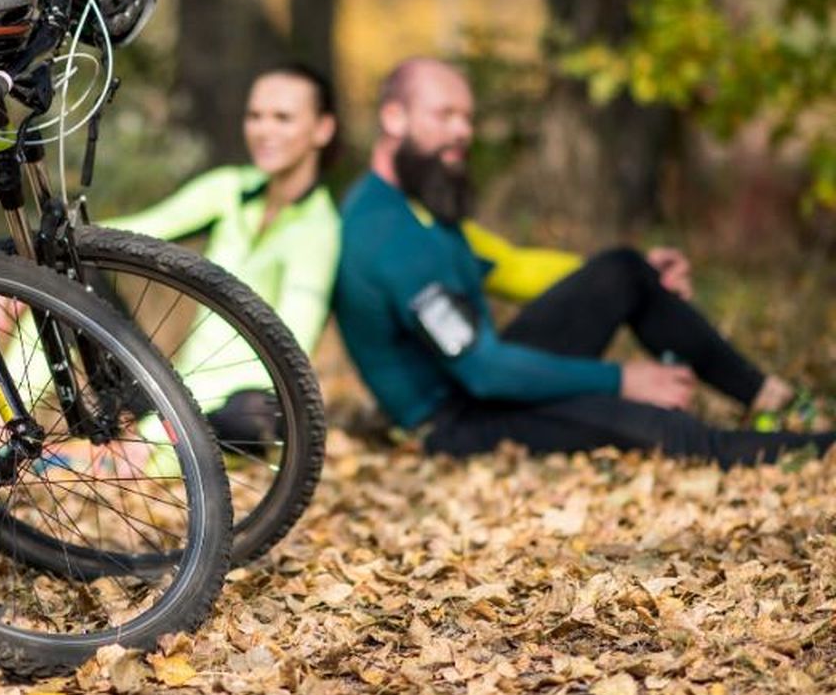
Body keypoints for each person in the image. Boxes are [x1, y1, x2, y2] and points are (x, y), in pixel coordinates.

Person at [335, 57, 833, 468]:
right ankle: (818, 450)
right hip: (458, 419)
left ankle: (772, 401)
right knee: (670, 431)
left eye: (467, 117)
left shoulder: (416, 207)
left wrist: (644, 272)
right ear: (394, 118)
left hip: (478, 378)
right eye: (445, 116)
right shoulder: (384, 232)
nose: (463, 131)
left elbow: (510, 265)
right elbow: (484, 371)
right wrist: (622, 380)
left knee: (622, 270)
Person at [106, 62, 341, 450]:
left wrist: (153, 436)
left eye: (282, 118)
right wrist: (26, 258)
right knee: (68, 272)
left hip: (232, 407)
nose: (264, 131)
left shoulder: (320, 230)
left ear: (323, 129)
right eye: (255, 116)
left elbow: (287, 355)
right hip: (170, 392)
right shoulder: (228, 188)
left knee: (255, 415)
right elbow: (117, 234)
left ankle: (153, 451)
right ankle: (0, 422)